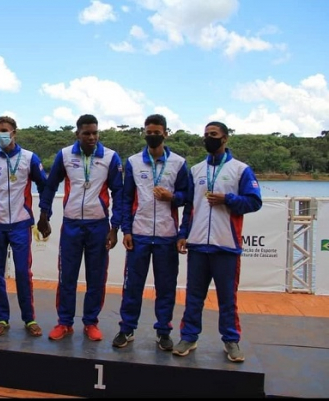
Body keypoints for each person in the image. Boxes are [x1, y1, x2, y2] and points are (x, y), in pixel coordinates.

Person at [172, 121, 262, 363]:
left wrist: (228, 199)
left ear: (225, 139)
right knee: (193, 296)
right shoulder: (196, 170)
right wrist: (183, 234)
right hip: (198, 244)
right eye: (205, 135)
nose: (208, 138)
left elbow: (254, 202)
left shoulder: (241, 170)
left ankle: (231, 341)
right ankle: (189, 336)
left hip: (226, 245)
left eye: (213, 135)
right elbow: (190, 207)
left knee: (227, 298)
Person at [37, 114, 123, 342]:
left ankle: (91, 322)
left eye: (95, 132)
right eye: (87, 133)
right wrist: (44, 214)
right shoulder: (65, 155)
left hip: (99, 225)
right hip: (72, 224)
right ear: (78, 134)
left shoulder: (111, 157)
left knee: (97, 277)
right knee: (67, 276)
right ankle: (64, 322)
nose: (92, 137)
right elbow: (50, 185)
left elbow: (119, 193)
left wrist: (115, 227)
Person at [112, 114, 189, 350]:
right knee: (132, 284)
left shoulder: (178, 162)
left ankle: (163, 331)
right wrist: (126, 229)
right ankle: (127, 329)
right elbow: (126, 198)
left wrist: (172, 197)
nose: (153, 135)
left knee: (166, 286)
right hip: (139, 233)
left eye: (157, 132)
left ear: (166, 133)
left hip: (167, 235)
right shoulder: (134, 162)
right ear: (144, 133)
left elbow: (188, 197)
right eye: (149, 131)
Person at [0, 116, 48, 337]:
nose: (0, 135)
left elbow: (45, 186)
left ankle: (29, 319)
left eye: (4, 130)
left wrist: (45, 215)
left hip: (20, 224)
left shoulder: (29, 158)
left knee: (22, 273)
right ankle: (2, 319)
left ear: (14, 132)